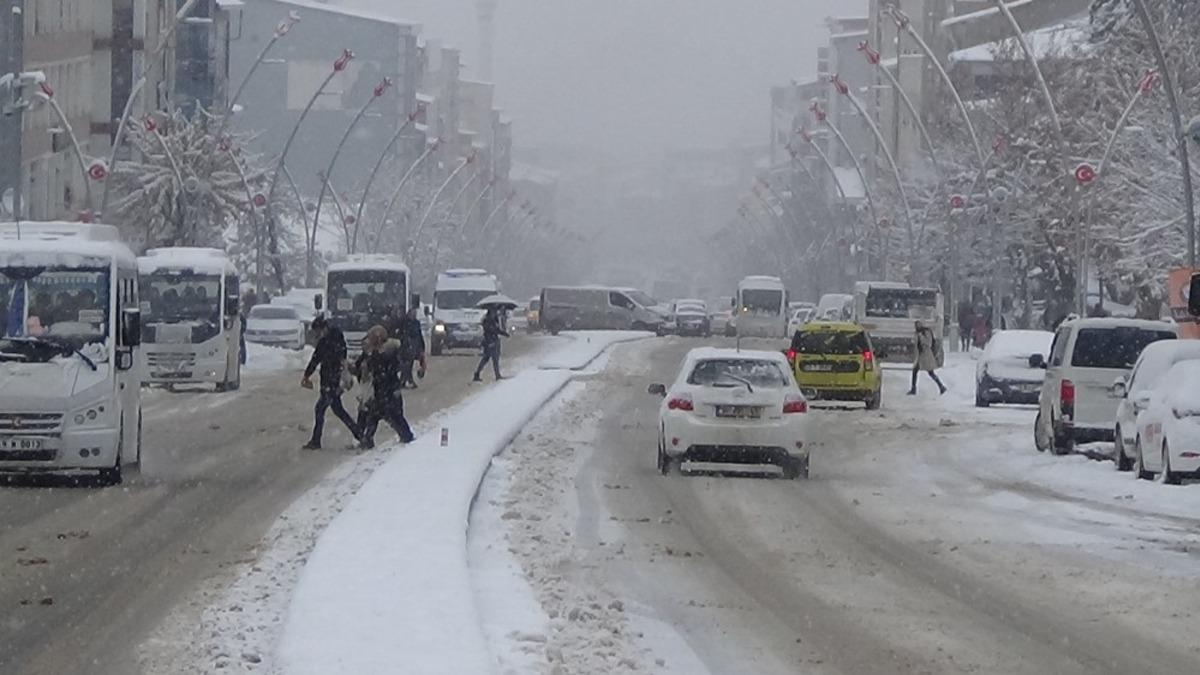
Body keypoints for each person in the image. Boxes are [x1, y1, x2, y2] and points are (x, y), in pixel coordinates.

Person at [301, 315, 361, 450]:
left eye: (317, 331)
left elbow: (316, 359)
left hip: (330, 381)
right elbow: (334, 357)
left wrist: (307, 375)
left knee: (320, 409)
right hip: (333, 380)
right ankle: (359, 434)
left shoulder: (326, 342)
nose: (316, 335)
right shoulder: (336, 338)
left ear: (321, 328)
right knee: (338, 410)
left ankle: (316, 441)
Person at [358, 325, 416, 449]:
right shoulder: (381, 353)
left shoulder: (386, 353)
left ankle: (406, 436)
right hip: (385, 390)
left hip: (387, 390)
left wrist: (371, 357)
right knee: (379, 415)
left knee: (390, 415)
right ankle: (369, 439)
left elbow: (383, 368)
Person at [908, 320, 947, 396]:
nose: (917, 326)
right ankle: (913, 389)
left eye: (918, 324)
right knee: (915, 371)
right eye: (916, 325)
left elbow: (929, 343)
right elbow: (916, 343)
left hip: (926, 355)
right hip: (920, 356)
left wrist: (921, 337)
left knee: (930, 372)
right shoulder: (917, 333)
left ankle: (941, 386)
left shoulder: (926, 332)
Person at [473, 306, 508, 382]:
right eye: (494, 312)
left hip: (492, 340)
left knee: (486, 359)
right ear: (490, 312)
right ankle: (496, 375)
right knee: (493, 359)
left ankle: (477, 374)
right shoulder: (487, 320)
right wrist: (491, 340)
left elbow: (496, 330)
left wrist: (504, 333)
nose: (495, 313)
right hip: (490, 341)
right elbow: (490, 331)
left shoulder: (493, 320)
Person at [397, 306, 427, 389]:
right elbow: (401, 334)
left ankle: (403, 381)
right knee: (407, 364)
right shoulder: (404, 322)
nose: (414, 314)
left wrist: (422, 346)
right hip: (406, 346)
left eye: (415, 313)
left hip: (414, 346)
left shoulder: (416, 323)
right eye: (413, 313)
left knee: (409, 364)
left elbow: (419, 334)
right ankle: (408, 381)